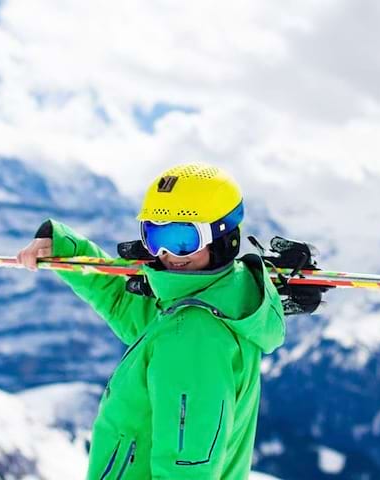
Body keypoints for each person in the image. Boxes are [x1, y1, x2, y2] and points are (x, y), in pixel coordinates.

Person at [17, 163, 286, 479]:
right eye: (155, 234)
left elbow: (186, 470)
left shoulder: (190, 338)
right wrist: (66, 250)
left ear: (224, 237)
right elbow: (120, 301)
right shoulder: (217, 297)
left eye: (182, 238)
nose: (167, 252)